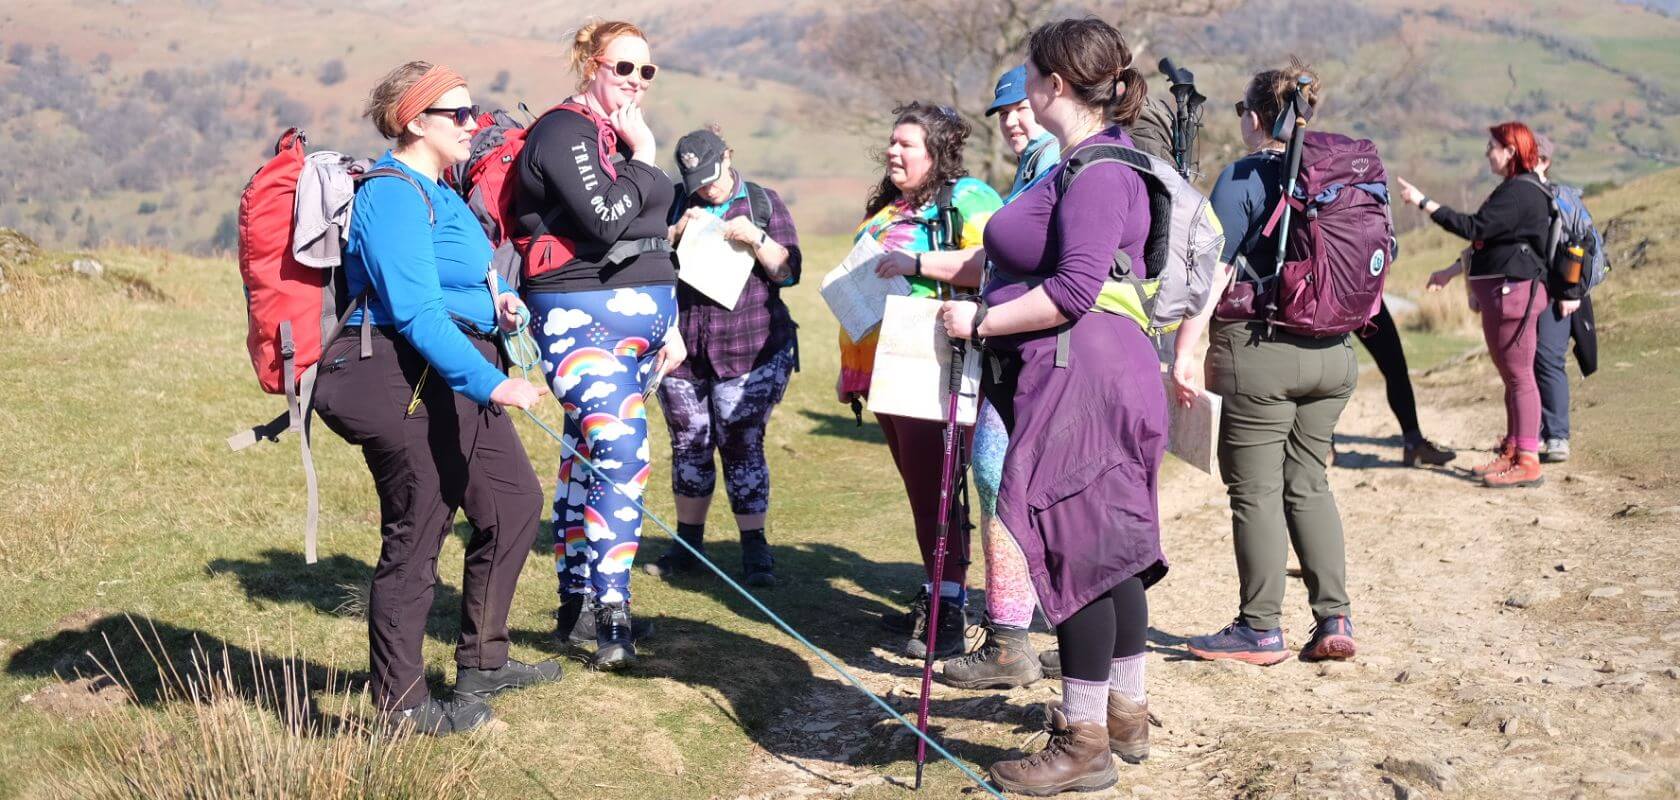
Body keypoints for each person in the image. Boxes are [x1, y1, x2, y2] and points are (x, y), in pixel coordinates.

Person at [941, 18, 1166, 794]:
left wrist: (980, 320)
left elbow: (1073, 289)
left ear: (1055, 85)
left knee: (1072, 556)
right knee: (1113, 553)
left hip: (1083, 381)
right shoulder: (1100, 161)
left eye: (1029, 76)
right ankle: (1125, 715)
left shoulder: (1098, 169)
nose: (1022, 89)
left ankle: (1082, 743)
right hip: (1106, 374)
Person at [311, 61, 559, 735]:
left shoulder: (442, 191)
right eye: (458, 114)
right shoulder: (390, 194)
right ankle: (400, 706)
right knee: (417, 533)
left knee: (513, 504)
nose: (474, 124)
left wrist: (496, 302)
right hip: (399, 370)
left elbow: (453, 283)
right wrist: (494, 382)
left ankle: (483, 662)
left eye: (473, 110)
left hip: (455, 363)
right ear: (414, 120)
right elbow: (414, 311)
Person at [512, 20, 684, 671]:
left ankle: (576, 603)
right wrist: (645, 154)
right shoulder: (565, 132)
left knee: (587, 458)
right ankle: (612, 612)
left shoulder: (613, 137)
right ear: (590, 65)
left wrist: (675, 326)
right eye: (623, 68)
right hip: (580, 319)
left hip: (642, 329)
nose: (636, 82)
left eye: (647, 71)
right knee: (621, 449)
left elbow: (651, 237)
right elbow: (606, 217)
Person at [1184, 61, 1359, 667]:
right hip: (1334, 356)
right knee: (1308, 480)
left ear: (1255, 118)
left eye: (1239, 111)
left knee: (1254, 489)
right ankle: (1333, 617)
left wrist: (1185, 348)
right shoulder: (1339, 175)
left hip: (1262, 352)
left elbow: (1213, 269)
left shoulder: (1243, 176)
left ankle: (1259, 628)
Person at [846, 102, 1003, 659]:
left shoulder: (970, 199)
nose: (894, 151)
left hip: (939, 360)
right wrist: (853, 368)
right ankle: (937, 593)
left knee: (942, 488)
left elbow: (998, 266)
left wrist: (918, 266)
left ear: (937, 150)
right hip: (886, 366)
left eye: (907, 144)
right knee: (921, 489)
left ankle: (950, 609)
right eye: (892, 142)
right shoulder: (889, 210)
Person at [938, 65, 1059, 690]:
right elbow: (997, 257)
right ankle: (1043, 633)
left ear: (1050, 98)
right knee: (1013, 481)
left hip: (1032, 353)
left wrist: (984, 317)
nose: (1012, 120)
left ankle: (1016, 639)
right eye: (1003, 112)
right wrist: (915, 260)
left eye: (1020, 108)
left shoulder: (1057, 162)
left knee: (1002, 476)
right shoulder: (1034, 167)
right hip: (1017, 349)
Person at [643, 126, 802, 587]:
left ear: (728, 157)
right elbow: (643, 263)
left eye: (712, 176)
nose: (707, 188)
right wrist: (672, 233)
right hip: (683, 350)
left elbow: (789, 272)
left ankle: (756, 549)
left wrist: (757, 239)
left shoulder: (762, 203)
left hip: (749, 347)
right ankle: (688, 545)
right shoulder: (672, 202)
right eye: (697, 181)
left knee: (741, 442)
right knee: (688, 443)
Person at [1399, 121, 1550, 489]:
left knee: (1519, 376)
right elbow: (1485, 240)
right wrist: (1455, 271)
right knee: (1512, 377)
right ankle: (1514, 451)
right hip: (1504, 297)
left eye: (1492, 146)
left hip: (1514, 296)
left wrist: (1424, 203)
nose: (1487, 152)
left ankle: (1528, 459)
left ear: (1510, 151)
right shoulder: (1514, 190)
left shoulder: (1519, 193)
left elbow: (1473, 228)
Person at [1352, 302, 1457, 467]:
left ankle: (1414, 444)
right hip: (1324, 294)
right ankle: (1322, 447)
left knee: (1395, 365)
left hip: (1364, 295)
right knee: (1324, 372)